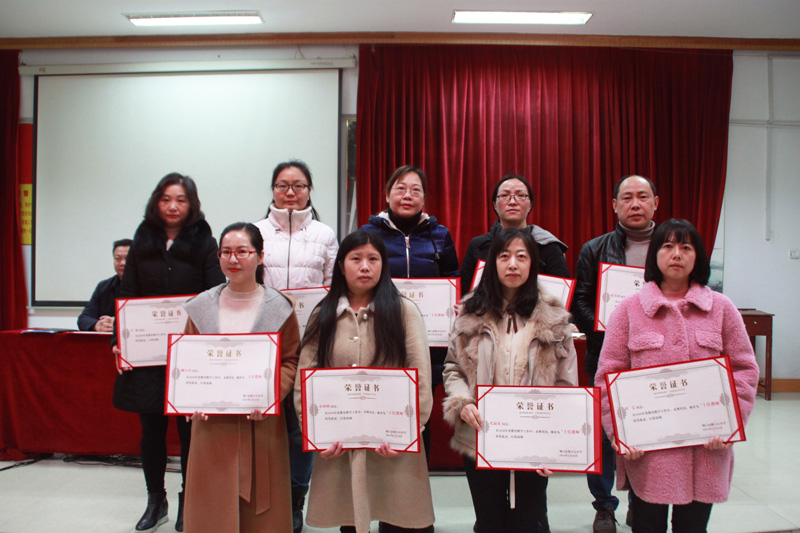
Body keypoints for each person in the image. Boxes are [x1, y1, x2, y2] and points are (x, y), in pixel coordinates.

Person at [596, 219, 759, 533]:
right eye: (668, 246)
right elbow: (608, 376)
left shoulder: (721, 308)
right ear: (654, 254)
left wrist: (730, 421)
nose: (677, 254)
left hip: (707, 449)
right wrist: (621, 432)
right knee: (647, 526)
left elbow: (744, 368)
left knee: (693, 528)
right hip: (649, 452)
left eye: (686, 247)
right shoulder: (629, 310)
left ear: (698, 256)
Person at [294, 230, 435, 533]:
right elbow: (305, 380)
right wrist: (314, 433)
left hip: (394, 444)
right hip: (340, 444)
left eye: (373, 259)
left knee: (401, 519)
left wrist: (410, 433)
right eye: (356, 259)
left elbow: (420, 376)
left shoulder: (404, 311)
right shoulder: (323, 313)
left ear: (384, 265)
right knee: (351, 519)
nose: (365, 267)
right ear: (341, 265)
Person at [443, 227, 578, 533]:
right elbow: (453, 368)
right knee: (488, 520)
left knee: (529, 521)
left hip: (534, 438)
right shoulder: (471, 312)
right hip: (479, 436)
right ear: (492, 263)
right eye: (504, 256)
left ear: (533, 264)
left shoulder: (554, 317)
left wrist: (555, 441)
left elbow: (565, 383)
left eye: (522, 256)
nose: (513, 264)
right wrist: (463, 402)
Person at [112, 173, 225, 533]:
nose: (173, 206)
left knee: (191, 432)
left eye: (180, 199)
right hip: (147, 355)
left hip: (190, 354)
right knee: (151, 431)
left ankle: (188, 500)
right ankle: (155, 500)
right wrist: (118, 340)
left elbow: (214, 295)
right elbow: (127, 293)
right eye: (165, 199)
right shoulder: (142, 239)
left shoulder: (205, 240)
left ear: (191, 204)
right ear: (155, 202)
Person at [181, 222, 301, 532]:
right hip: (211, 424)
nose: (233, 259)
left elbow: (290, 360)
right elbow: (189, 361)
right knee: (212, 508)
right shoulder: (200, 307)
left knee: (262, 516)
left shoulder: (281, 307)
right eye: (226, 252)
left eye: (242, 252)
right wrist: (190, 400)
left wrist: (270, 396)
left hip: (260, 420)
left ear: (260, 257)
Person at [253, 160, 339, 532]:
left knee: (301, 425)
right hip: (264, 342)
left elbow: (335, 287)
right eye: (282, 185)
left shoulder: (325, 234)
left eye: (299, 185)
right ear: (272, 189)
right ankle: (264, 497)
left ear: (309, 191)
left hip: (312, 340)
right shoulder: (255, 232)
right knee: (266, 421)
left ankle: (295, 499)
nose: (290, 192)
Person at [571, 174, 659, 532]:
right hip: (605, 355)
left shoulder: (671, 246)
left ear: (655, 202)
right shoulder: (594, 249)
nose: (635, 204)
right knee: (604, 434)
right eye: (627, 198)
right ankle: (604, 506)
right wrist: (611, 337)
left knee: (649, 432)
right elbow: (580, 301)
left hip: (656, 358)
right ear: (614, 205)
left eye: (643, 196)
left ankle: (643, 502)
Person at [359, 164, 459, 460]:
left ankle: (416, 479)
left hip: (427, 341)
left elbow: (452, 278)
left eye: (415, 190)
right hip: (379, 333)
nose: (407, 195)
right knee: (379, 404)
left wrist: (455, 305)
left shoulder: (439, 235)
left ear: (424, 198)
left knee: (418, 409)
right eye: (400, 188)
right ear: (387, 194)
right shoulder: (368, 233)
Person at [460, 174, 569, 293]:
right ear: (495, 205)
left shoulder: (548, 245)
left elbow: (561, 296)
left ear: (530, 205)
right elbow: (465, 293)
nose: (512, 202)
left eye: (521, 195)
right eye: (504, 195)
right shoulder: (479, 245)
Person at [78, 238, 131, 332]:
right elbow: (84, 318)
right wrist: (97, 325)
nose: (122, 263)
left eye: (127, 258)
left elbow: (153, 319)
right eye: (117, 258)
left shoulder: (150, 286)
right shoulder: (103, 286)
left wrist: (120, 322)